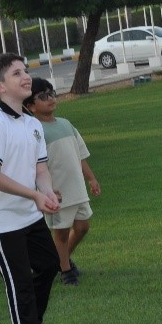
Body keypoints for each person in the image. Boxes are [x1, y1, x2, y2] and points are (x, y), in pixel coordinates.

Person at [0, 53, 66, 324]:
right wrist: (34, 196)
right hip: (0, 221)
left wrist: (47, 193)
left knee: (50, 264)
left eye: (25, 71)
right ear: (0, 86)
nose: (26, 76)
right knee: (19, 283)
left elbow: (40, 169)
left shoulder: (31, 123)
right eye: (17, 73)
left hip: (28, 214)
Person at [24, 77, 100, 286]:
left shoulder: (66, 124)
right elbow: (34, 167)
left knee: (83, 227)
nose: (50, 99)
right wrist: (45, 190)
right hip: (57, 193)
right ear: (30, 106)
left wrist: (91, 178)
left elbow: (80, 155)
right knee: (61, 233)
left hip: (77, 189)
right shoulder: (34, 131)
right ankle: (66, 271)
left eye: (52, 93)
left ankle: (59, 261)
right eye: (42, 96)